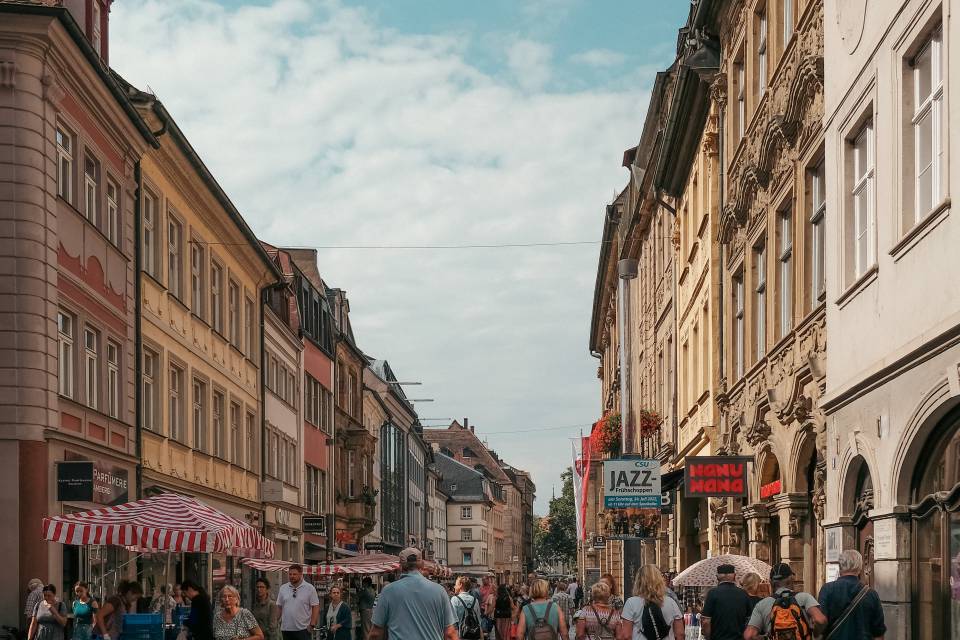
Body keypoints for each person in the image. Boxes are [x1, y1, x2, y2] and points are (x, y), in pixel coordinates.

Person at [368, 547, 457, 640]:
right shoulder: (439, 591)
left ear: (400, 566)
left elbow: (376, 633)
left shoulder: (388, 591)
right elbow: (450, 633)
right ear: (422, 565)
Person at [744, 563, 827, 640]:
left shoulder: (762, 604)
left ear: (771, 582)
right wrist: (815, 635)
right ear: (791, 578)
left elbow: (749, 635)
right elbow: (820, 620)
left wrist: (767, 637)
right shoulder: (804, 597)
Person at [816, 550, 886, 640]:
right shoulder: (871, 594)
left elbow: (820, 621)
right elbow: (878, 633)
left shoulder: (827, 589)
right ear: (860, 567)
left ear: (840, 566)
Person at [620, 565, 684, 640]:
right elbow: (680, 634)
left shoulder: (631, 603)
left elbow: (626, 636)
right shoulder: (671, 602)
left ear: (638, 581)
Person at [699, 564, 751, 640]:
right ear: (734, 576)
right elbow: (749, 619)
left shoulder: (712, 593)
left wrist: (708, 637)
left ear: (717, 576)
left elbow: (706, 621)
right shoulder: (743, 594)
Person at [277, 565, 320, 640]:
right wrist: (275, 622)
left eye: (294, 574)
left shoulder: (310, 588)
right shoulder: (283, 588)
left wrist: (312, 624)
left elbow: (315, 606)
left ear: (301, 574)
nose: (292, 576)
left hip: (303, 629)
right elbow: (279, 606)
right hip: (286, 629)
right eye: (290, 574)